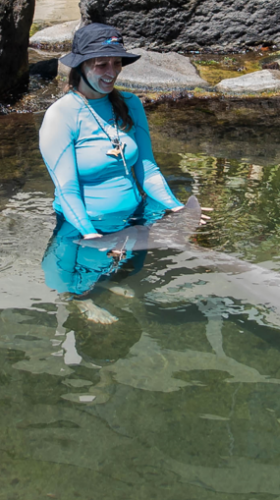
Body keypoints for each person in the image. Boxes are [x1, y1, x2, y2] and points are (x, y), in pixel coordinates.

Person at [37, 23, 184, 296]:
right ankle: (85, 301)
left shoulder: (130, 104)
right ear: (81, 66)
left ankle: (113, 282)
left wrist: (176, 208)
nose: (112, 72)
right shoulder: (61, 116)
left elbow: (148, 169)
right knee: (69, 284)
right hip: (85, 223)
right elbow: (66, 189)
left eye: (117, 63)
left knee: (131, 273)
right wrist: (90, 234)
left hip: (135, 215)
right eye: (101, 64)